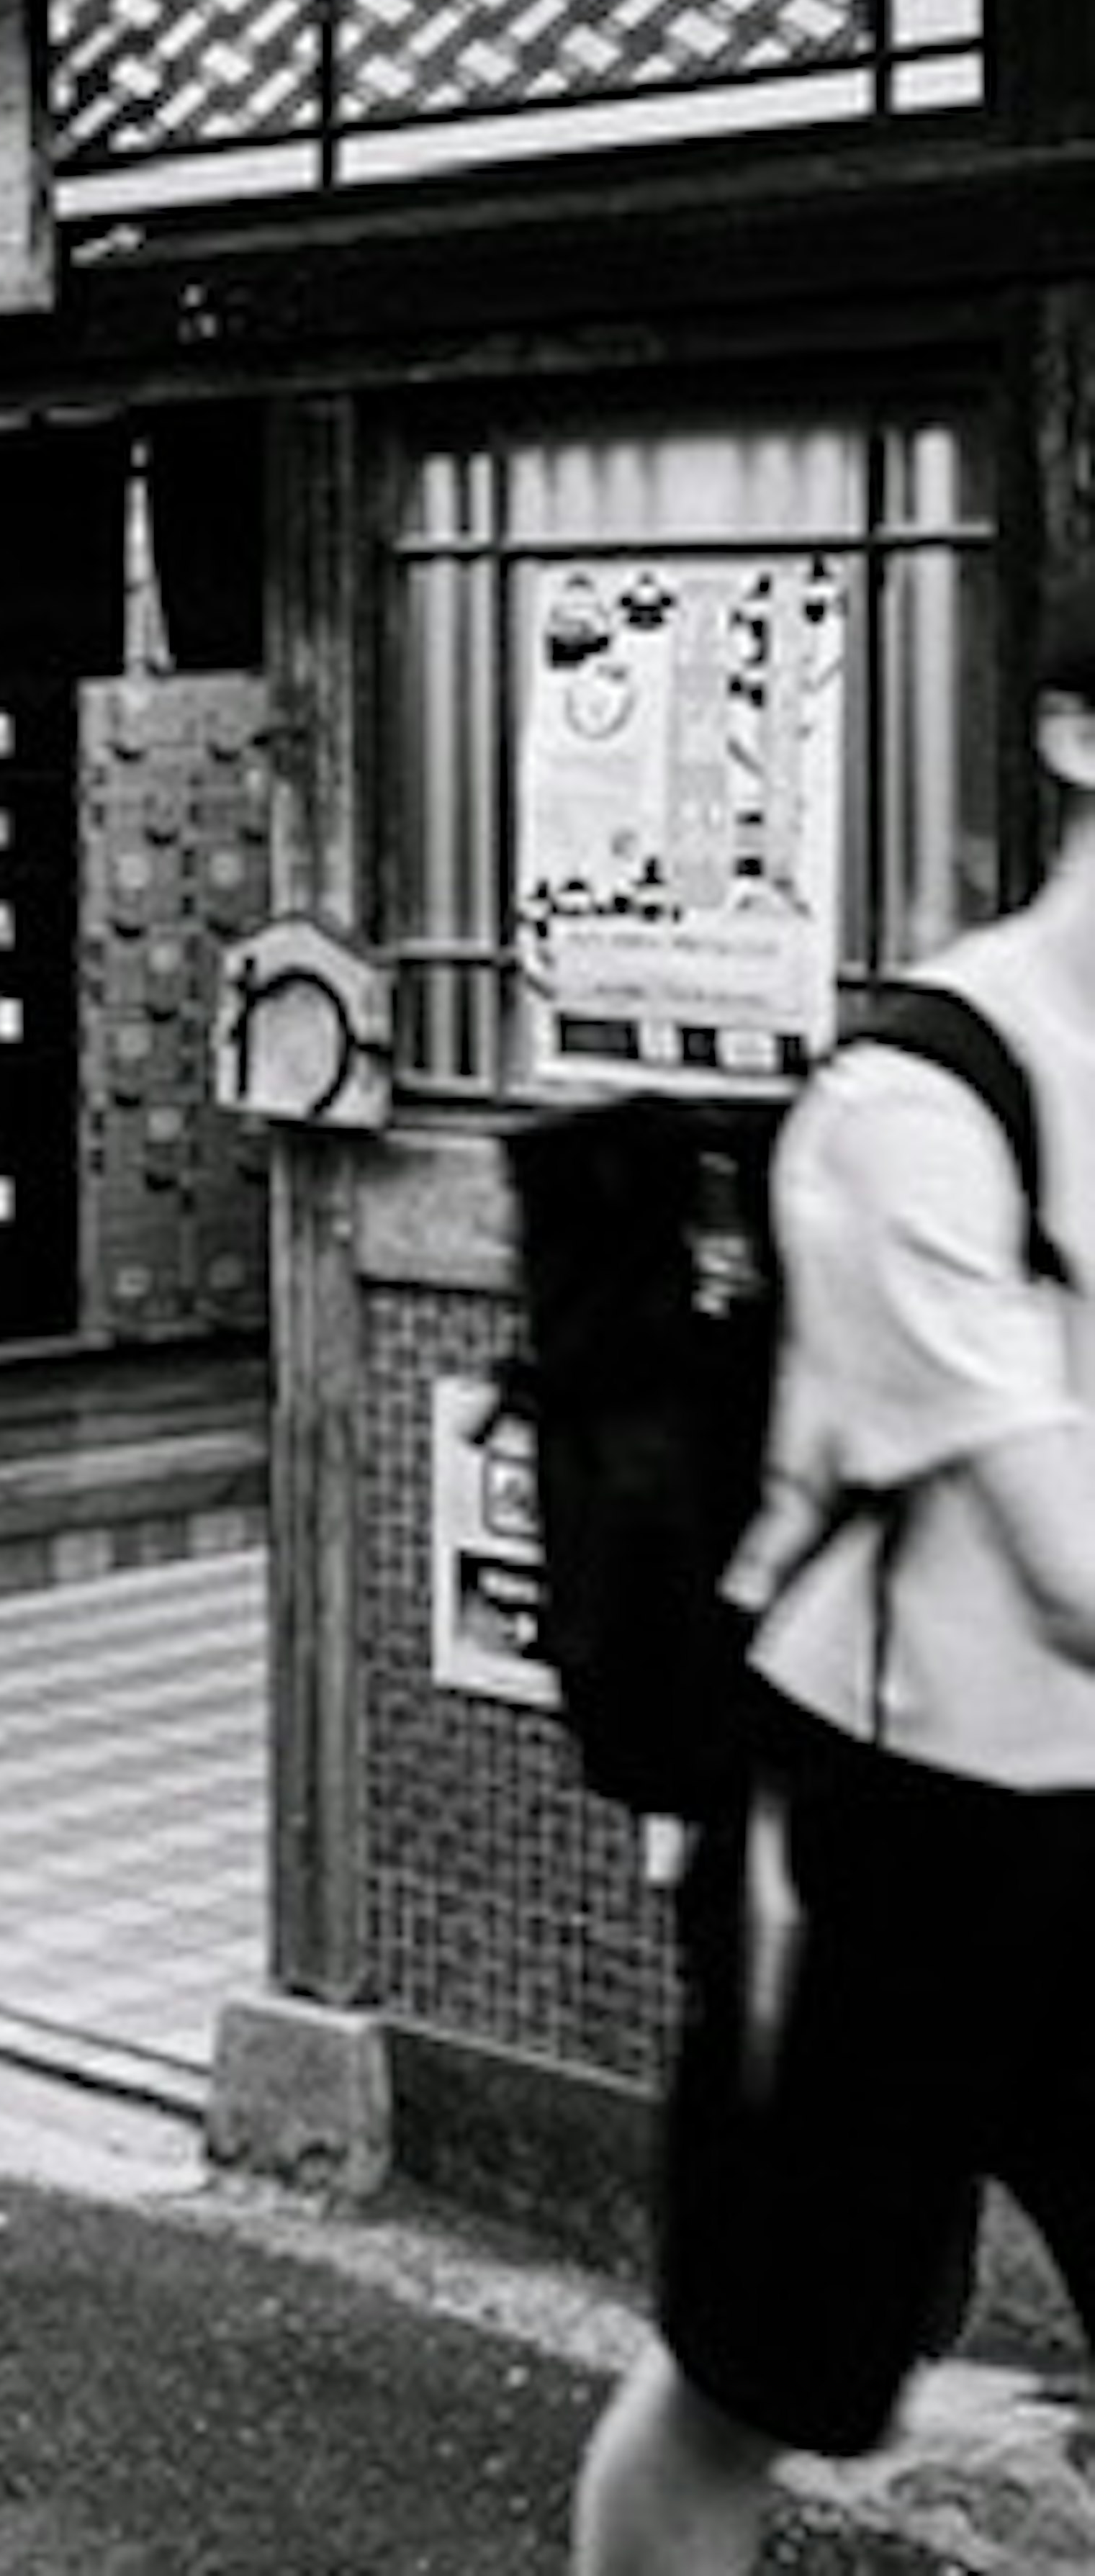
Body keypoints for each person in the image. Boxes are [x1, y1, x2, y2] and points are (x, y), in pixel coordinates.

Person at [572, 569, 1095, 2576]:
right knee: (752, 2398)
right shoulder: (918, 1105)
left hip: (1091, 1825)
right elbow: (1066, 1571)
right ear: (1074, 738)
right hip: (886, 1847)